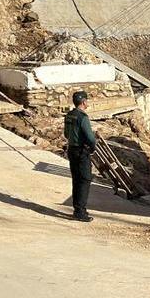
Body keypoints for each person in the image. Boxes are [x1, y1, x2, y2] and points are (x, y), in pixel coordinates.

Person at [63, 91, 97, 222]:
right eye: (87, 100)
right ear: (84, 102)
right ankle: (80, 211)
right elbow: (90, 137)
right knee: (85, 179)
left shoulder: (69, 115)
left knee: (76, 179)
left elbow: (66, 134)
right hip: (82, 151)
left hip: (71, 149)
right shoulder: (83, 117)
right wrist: (92, 147)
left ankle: (77, 208)